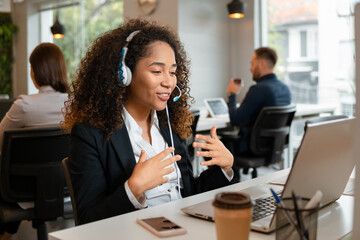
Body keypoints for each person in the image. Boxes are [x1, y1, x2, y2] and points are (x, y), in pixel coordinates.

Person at [62, 19, 237, 225]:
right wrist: (133, 189)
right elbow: (87, 221)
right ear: (124, 74)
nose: (168, 81)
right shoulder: (91, 134)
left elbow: (188, 195)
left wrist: (225, 167)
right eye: (157, 71)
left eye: (172, 72)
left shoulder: (169, 127)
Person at [0, 43, 69, 240]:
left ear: (35, 71)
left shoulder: (24, 106)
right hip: (65, 188)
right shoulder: (75, 104)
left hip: (21, 191)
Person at [226, 47, 291, 155]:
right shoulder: (285, 89)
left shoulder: (259, 89)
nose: (251, 68)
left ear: (261, 64)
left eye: (252, 64)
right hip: (274, 146)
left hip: (250, 148)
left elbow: (235, 119)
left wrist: (232, 94)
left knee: (210, 146)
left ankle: (233, 172)